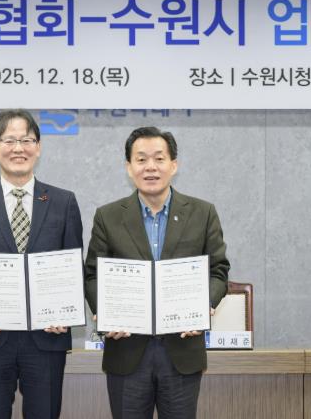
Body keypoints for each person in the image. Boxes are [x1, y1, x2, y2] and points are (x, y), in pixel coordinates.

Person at [84, 126, 230, 419]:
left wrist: (203, 306)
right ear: (129, 167)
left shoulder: (202, 213)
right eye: (141, 159)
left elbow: (218, 270)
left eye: (159, 158)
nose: (150, 167)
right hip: (126, 351)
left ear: (173, 165)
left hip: (181, 352)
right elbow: (93, 275)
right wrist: (106, 313)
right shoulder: (108, 216)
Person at [0, 109, 83, 419]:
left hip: (47, 337)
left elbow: (73, 267)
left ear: (38, 147)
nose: (18, 148)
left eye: (27, 140)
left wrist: (65, 310)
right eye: (9, 140)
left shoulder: (63, 202)